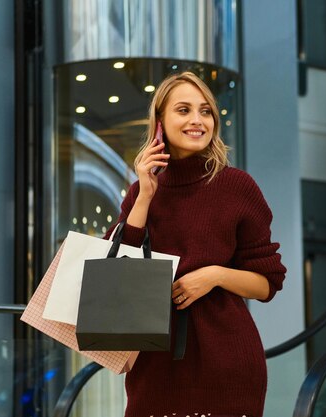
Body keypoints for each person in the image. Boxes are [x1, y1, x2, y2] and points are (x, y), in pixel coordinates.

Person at [106, 71, 287, 417]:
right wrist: (144, 196)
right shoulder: (142, 191)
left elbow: (267, 284)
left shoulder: (237, 187)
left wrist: (215, 275)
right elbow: (119, 271)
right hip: (154, 366)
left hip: (227, 363)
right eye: (184, 110)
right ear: (160, 122)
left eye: (206, 111)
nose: (197, 120)